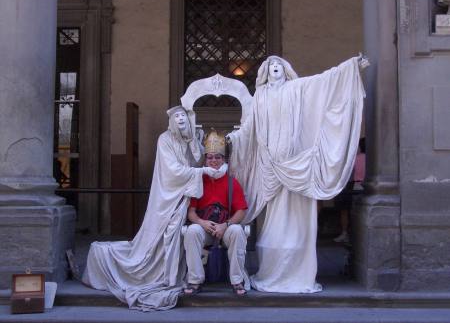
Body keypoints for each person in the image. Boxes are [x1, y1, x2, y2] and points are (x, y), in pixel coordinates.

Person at [227, 55, 368, 293]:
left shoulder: (297, 88)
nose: (275, 69)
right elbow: (250, 125)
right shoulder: (260, 96)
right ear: (265, 72)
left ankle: (297, 270)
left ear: (286, 71)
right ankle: (273, 269)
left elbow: (324, 81)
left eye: (279, 66)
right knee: (273, 218)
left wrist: (350, 67)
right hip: (269, 163)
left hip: (294, 162)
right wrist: (236, 137)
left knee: (296, 210)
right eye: (271, 66)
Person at [82, 106, 224, 311]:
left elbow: (198, 158)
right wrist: (200, 170)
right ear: (172, 121)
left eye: (183, 115)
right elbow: (173, 171)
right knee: (160, 237)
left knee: (179, 236)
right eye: (177, 116)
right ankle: (163, 274)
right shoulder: (164, 140)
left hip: (185, 199)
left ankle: (176, 273)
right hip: (168, 197)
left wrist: (197, 146)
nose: (180, 119)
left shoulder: (191, 139)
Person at [183, 130, 250, 296]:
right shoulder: (198, 180)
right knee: (191, 231)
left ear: (224, 159)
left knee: (236, 231)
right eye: (210, 157)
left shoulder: (231, 182)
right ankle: (195, 280)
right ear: (205, 159)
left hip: (224, 228)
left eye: (217, 157)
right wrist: (202, 223)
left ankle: (237, 281)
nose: (213, 161)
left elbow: (241, 211)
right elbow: (191, 213)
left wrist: (225, 225)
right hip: (204, 227)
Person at [334, 137, 366, 243]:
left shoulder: (355, 159)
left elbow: (349, 175)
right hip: (366, 187)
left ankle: (345, 232)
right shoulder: (373, 160)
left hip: (355, 186)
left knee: (347, 211)